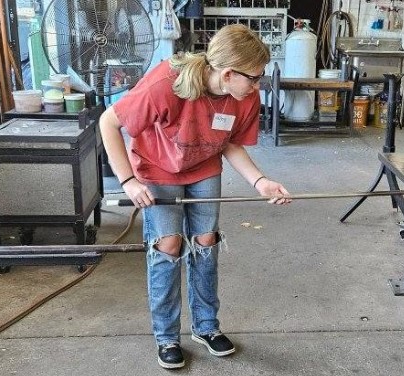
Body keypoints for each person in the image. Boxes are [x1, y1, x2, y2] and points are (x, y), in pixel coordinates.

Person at [99, 24, 291, 369]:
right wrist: (127, 180)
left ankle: (206, 327)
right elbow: (108, 122)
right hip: (157, 170)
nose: (258, 85)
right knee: (168, 246)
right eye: (254, 78)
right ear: (229, 73)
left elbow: (230, 142)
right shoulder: (165, 84)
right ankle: (167, 336)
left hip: (203, 168)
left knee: (205, 242)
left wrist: (260, 181)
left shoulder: (244, 95)